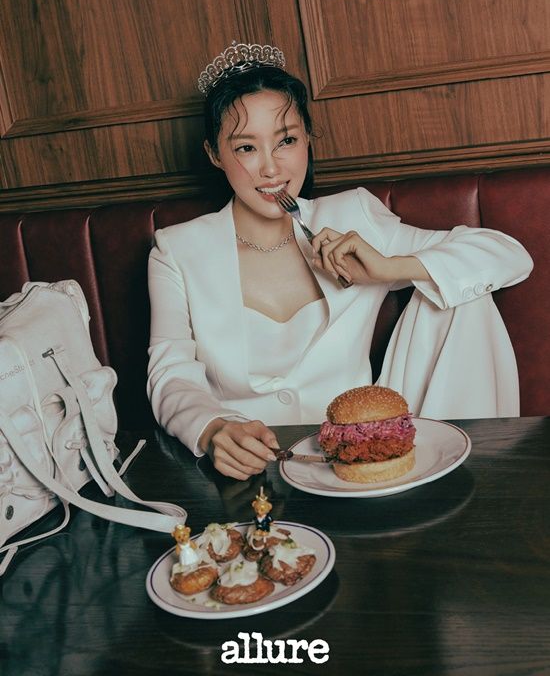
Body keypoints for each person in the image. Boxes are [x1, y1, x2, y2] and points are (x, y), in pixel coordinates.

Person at [147, 42, 533, 480]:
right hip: (254, 469)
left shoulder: (355, 216)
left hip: (362, 459)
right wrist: (214, 428)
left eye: (286, 141)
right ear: (215, 154)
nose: (271, 168)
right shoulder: (177, 250)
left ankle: (468, 477)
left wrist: (391, 267)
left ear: (307, 138)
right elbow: (170, 374)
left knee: (462, 294)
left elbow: (508, 254)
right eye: (247, 148)